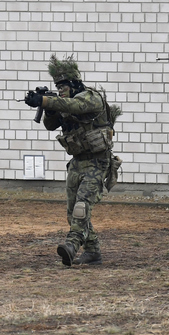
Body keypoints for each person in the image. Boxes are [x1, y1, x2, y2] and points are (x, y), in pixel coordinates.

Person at [25, 54, 120, 266]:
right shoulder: (64, 102)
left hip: (98, 162)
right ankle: (93, 251)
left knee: (82, 208)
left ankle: (71, 245)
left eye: (63, 86)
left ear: (75, 84)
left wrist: (46, 100)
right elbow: (50, 125)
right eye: (57, 87)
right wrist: (49, 108)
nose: (60, 90)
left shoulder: (90, 97)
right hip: (77, 163)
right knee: (72, 212)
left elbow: (75, 107)